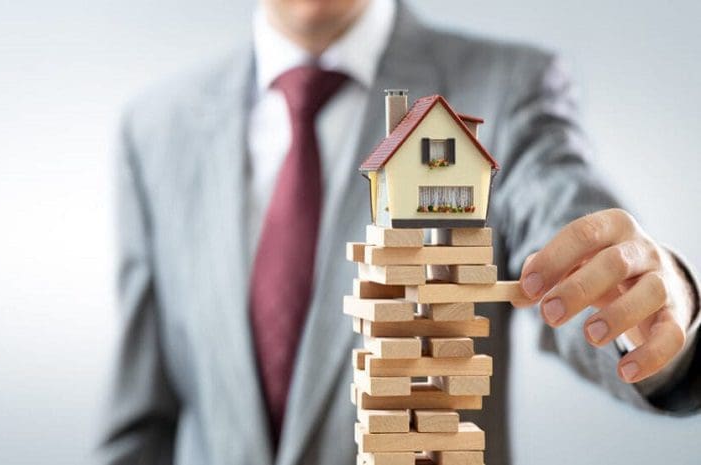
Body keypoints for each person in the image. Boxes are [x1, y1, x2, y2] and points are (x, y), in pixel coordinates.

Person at [100, 0, 701, 463]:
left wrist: (649, 301)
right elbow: (136, 425)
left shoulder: (510, 84)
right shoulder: (154, 130)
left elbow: (564, 215)